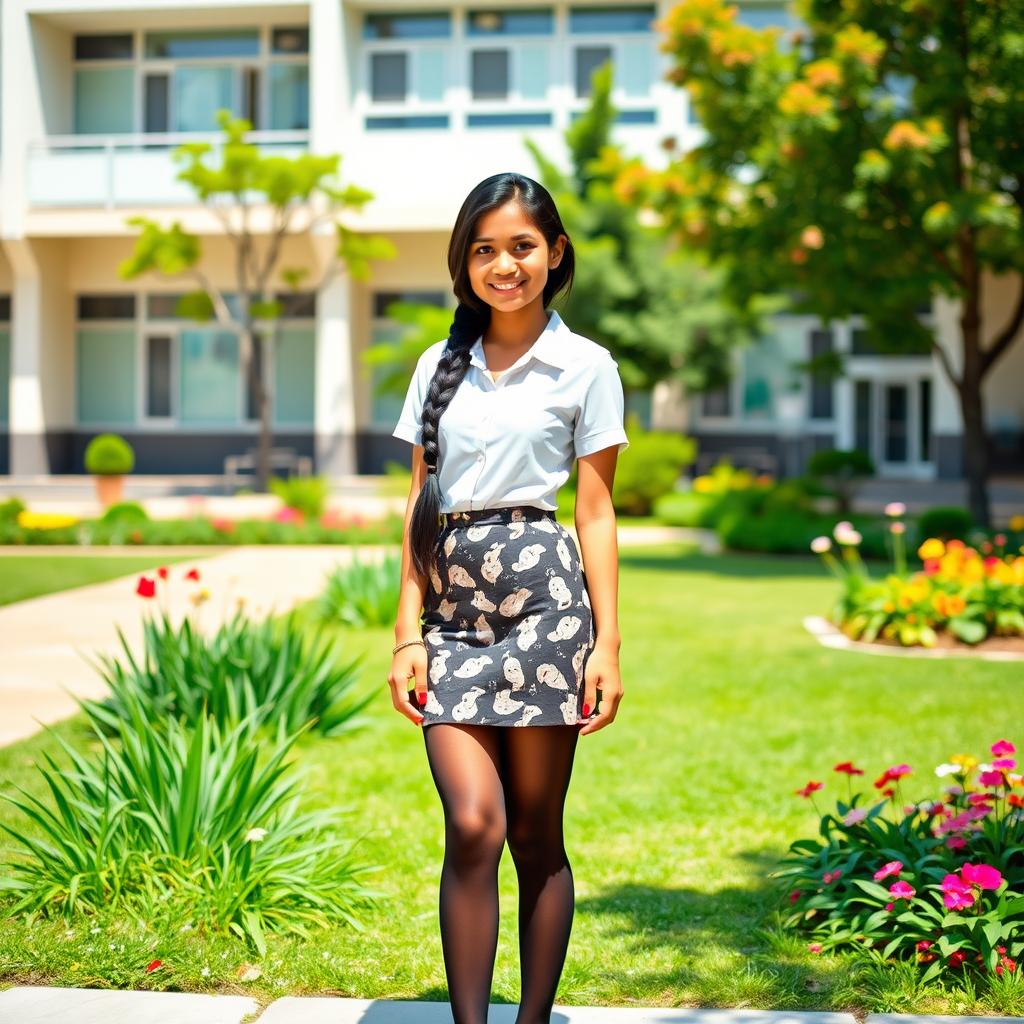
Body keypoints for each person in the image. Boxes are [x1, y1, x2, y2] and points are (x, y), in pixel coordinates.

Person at [387, 171, 628, 1024]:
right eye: (484, 249)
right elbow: (418, 504)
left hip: (547, 608)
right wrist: (405, 631)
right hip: (451, 615)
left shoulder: (587, 366)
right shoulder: (436, 366)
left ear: (554, 254)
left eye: (521, 247)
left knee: (534, 835)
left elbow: (594, 513)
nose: (504, 265)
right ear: (465, 262)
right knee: (474, 824)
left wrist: (607, 643)